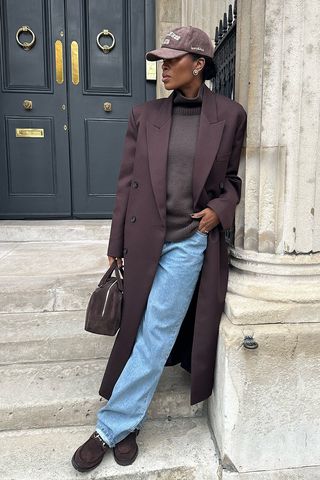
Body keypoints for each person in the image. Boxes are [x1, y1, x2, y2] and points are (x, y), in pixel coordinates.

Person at [71, 25, 247, 473]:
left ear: (199, 64)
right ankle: (128, 427)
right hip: (145, 235)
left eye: (172, 59)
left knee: (156, 333)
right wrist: (116, 242)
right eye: (161, 60)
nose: (163, 67)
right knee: (134, 326)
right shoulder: (144, 114)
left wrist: (218, 210)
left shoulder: (230, 115)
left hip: (189, 241)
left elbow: (231, 181)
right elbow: (126, 183)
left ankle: (110, 428)